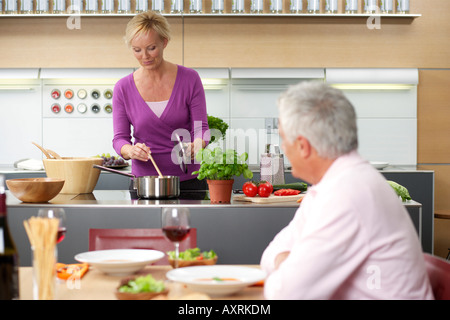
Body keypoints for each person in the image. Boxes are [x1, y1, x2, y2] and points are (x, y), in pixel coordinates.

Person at [260, 82, 434, 300]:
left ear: (303, 146)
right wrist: (286, 264)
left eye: (283, 139)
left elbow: (286, 294)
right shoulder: (335, 184)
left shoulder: (347, 195)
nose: (283, 148)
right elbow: (271, 253)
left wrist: (288, 267)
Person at [112, 11, 209, 191]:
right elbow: (120, 140)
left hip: (189, 182)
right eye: (137, 50)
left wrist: (197, 144)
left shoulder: (190, 79)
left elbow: (201, 129)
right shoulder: (123, 88)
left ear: (164, 42)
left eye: (151, 48)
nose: (145, 56)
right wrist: (130, 150)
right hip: (144, 183)